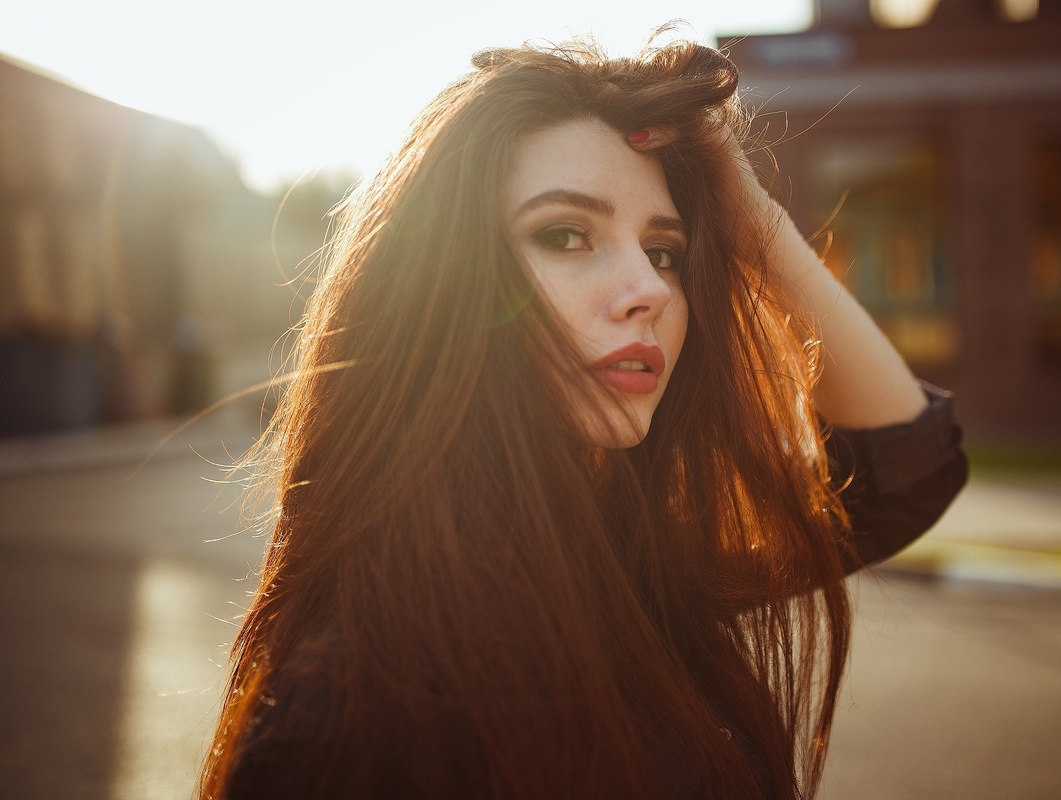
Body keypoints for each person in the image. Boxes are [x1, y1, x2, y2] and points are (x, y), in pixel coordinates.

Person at [199, 38, 967, 800]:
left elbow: (905, 466)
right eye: (566, 235)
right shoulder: (349, 714)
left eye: (666, 251)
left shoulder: (642, 564)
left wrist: (748, 216)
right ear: (439, 289)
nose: (650, 290)